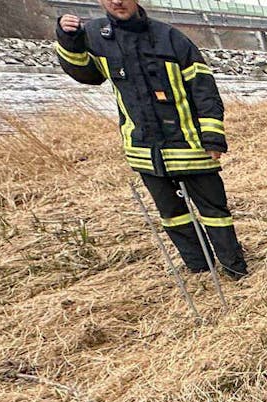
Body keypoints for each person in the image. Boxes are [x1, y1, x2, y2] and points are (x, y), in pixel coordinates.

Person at [54, 0, 248, 279]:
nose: (117, 1)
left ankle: (235, 269)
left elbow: (204, 89)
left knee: (215, 212)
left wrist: (213, 139)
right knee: (173, 215)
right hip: (145, 150)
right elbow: (85, 74)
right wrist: (68, 39)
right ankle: (200, 268)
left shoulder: (171, 38)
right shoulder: (95, 35)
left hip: (190, 147)